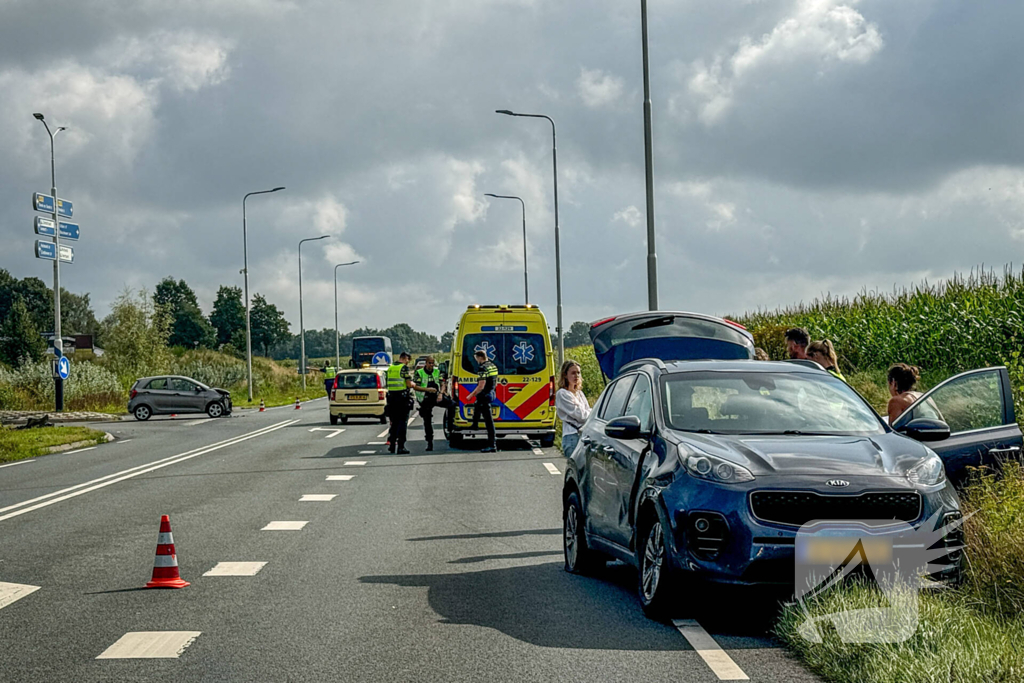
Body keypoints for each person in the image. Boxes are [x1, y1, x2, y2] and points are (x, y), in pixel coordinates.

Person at [385, 352, 437, 454]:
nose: (408, 363)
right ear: (405, 359)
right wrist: (415, 385)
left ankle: (391, 445)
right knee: (402, 423)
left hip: (391, 398)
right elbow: (409, 384)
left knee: (394, 423)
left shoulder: (390, 368)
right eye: (408, 360)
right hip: (402, 398)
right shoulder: (403, 368)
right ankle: (401, 446)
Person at [555, 360, 591, 458]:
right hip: (572, 436)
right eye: (573, 373)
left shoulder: (579, 393)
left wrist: (590, 413)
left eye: (578, 373)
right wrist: (592, 413)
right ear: (565, 375)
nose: (576, 376)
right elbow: (581, 416)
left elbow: (587, 411)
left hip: (583, 435)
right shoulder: (562, 394)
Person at [466, 349, 498, 453]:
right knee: (477, 405)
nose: (476, 361)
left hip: (484, 395)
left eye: (476, 359)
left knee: (489, 422)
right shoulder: (492, 366)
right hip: (490, 393)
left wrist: (471, 395)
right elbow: (495, 381)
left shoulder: (482, 368)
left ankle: (492, 445)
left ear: (480, 357)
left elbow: (481, 385)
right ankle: (474, 425)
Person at [414, 356, 441, 451]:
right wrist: (427, 389)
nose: (431, 365)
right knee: (427, 420)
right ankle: (430, 442)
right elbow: (415, 387)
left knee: (452, 405)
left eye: (433, 363)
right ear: (426, 363)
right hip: (425, 398)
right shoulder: (419, 372)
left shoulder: (437, 371)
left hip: (437, 396)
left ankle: (450, 429)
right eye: (430, 363)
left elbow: (442, 382)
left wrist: (441, 393)